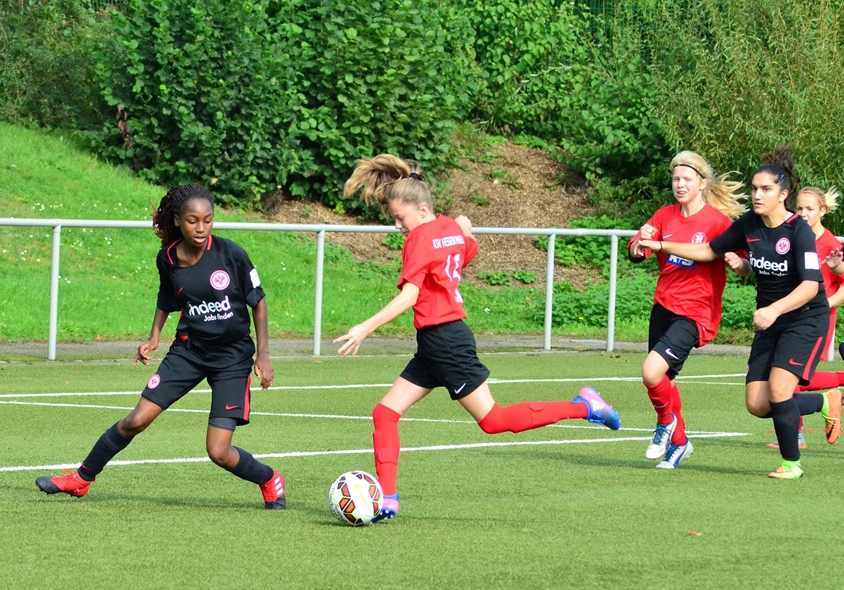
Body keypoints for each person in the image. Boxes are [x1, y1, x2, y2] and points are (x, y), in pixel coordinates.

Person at [334, 154, 621, 521]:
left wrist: (365, 327)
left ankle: (585, 406)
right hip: (437, 342)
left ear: (421, 210)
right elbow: (466, 251)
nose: (397, 226)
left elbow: (409, 296)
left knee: (495, 420)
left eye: (400, 218)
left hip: (445, 341)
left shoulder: (419, 238)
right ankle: (388, 498)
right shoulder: (448, 227)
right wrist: (465, 229)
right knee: (385, 412)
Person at [36, 184, 287, 508]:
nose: (201, 228)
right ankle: (81, 479)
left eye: (208, 220)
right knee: (136, 420)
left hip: (232, 358)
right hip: (188, 352)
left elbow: (259, 302)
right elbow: (167, 298)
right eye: (193, 221)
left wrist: (264, 355)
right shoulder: (167, 258)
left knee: (218, 451)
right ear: (178, 220)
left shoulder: (230, 254)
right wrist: (154, 336)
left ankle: (268, 478)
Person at [639, 147, 842, 479]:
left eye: (766, 189)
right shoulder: (749, 225)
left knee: (779, 389)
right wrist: (661, 245)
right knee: (757, 404)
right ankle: (825, 402)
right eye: (754, 188)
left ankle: (791, 464)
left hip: (805, 317)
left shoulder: (799, 231)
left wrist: (773, 309)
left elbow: (809, 286)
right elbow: (709, 250)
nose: (757, 195)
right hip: (770, 320)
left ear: (783, 194)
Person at [628, 151, 746, 469]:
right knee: (664, 379)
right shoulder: (664, 215)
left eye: (687, 179)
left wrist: (740, 263)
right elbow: (637, 251)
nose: (680, 185)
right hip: (663, 305)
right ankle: (679, 442)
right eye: (676, 179)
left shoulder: (718, 223)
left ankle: (665, 424)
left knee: (651, 371)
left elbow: (743, 262)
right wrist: (639, 244)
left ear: (702, 183)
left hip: (696, 312)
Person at [767, 186, 844, 449]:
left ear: (823, 211)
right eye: (799, 208)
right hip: (790, 318)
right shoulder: (793, 236)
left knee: (789, 376)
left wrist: (823, 305)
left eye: (809, 209)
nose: (803, 213)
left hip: (815, 322)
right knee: (788, 376)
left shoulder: (831, 245)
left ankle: (796, 434)